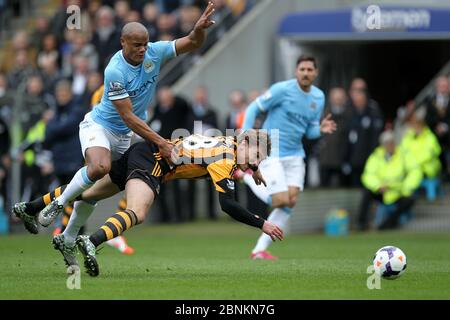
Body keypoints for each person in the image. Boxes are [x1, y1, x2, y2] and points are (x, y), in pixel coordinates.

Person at [14, 3, 216, 255]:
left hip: (123, 137)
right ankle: (59, 203)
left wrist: (198, 30)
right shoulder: (115, 69)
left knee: (94, 193)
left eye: (145, 43)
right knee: (100, 168)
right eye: (136, 45)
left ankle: (62, 234)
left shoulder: (155, 52)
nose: (142, 49)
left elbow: (192, 44)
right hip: (99, 126)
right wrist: (162, 143)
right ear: (123, 42)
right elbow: (128, 116)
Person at [19, 130, 283, 276]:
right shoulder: (226, 158)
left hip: (144, 150)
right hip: (155, 161)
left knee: (87, 193)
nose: (257, 161)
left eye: (261, 159)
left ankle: (29, 209)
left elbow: (232, 157)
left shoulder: (230, 144)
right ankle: (92, 241)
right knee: (138, 211)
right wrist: (262, 223)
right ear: (246, 142)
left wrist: (251, 168)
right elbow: (228, 205)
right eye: (257, 155)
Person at [236, 55, 336, 260]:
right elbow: (254, 107)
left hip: (295, 154)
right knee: (279, 199)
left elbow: (309, 132)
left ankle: (259, 251)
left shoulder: (318, 97)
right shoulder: (282, 90)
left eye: (310, 70)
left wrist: (320, 129)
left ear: (315, 73)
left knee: (289, 202)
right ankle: (245, 176)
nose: (306, 73)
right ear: (296, 72)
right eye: (302, 69)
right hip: (271, 149)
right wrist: (245, 136)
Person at [357, 130, 422, 230]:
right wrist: (378, 186)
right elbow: (368, 175)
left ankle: (388, 224)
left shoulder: (404, 155)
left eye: (391, 142)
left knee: (409, 200)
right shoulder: (376, 156)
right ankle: (361, 224)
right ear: (383, 145)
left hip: (398, 191)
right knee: (366, 193)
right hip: (382, 191)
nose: (390, 145)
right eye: (387, 143)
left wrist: (406, 187)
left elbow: (415, 171)